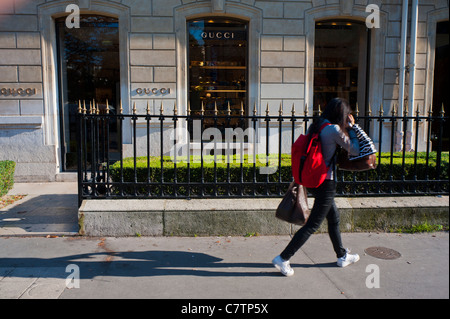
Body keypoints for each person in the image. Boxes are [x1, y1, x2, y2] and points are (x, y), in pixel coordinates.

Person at [273, 98, 361, 277]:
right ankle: (283, 258)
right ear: (341, 115)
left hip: (314, 180)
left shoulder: (318, 125)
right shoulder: (334, 130)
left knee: (334, 217)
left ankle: (342, 255)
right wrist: (351, 128)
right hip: (326, 182)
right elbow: (355, 150)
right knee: (312, 224)